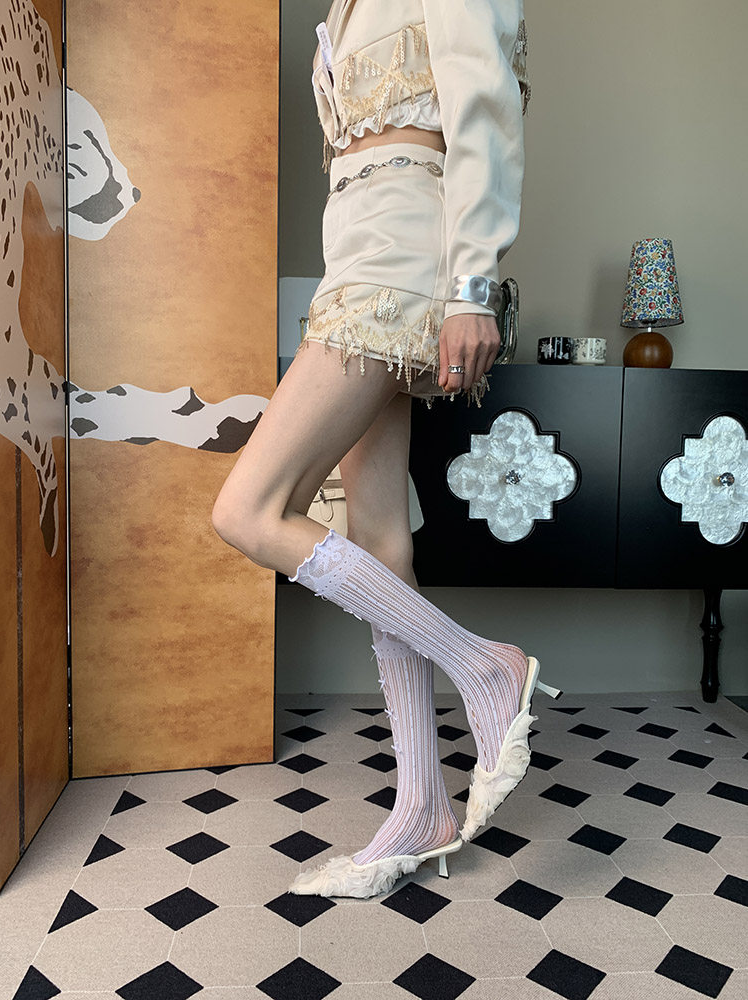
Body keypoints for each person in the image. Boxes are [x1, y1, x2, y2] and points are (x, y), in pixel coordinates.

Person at [211, 0, 558, 898]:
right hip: (358, 255)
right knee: (379, 538)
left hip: (400, 259)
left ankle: (485, 666)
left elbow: (484, 103)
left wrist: (473, 285)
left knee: (247, 510)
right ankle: (421, 807)